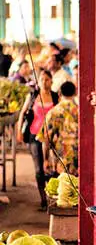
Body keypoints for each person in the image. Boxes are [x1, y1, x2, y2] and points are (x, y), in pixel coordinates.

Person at [16, 70, 58, 209]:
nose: (44, 82)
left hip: (52, 137)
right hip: (34, 135)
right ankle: (44, 199)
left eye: (47, 79)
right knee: (39, 169)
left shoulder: (55, 96)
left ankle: (52, 195)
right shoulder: (33, 95)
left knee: (52, 169)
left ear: (51, 81)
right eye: (42, 79)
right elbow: (22, 113)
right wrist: (19, 132)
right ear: (38, 81)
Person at [37, 81, 78, 176]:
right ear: (75, 93)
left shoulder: (53, 113)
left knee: (63, 188)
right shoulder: (80, 111)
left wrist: (46, 160)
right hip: (79, 160)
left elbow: (46, 139)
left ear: (59, 93)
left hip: (61, 161)